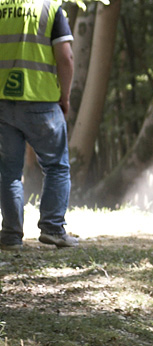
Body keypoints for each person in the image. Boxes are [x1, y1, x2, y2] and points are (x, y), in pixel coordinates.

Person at [0, 0, 77, 251]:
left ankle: (11, 236)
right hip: (41, 101)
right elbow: (65, 56)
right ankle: (53, 229)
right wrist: (64, 97)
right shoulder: (50, 9)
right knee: (56, 166)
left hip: (3, 102)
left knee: (8, 171)